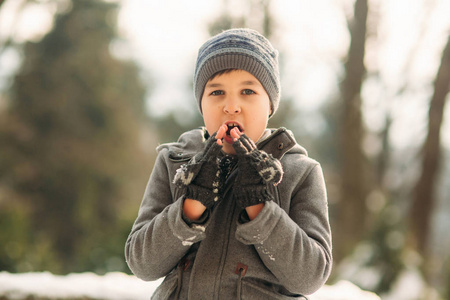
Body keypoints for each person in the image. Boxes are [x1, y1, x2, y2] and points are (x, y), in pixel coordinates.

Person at [125, 28, 332, 300]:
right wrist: (192, 204)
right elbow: (142, 264)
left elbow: (310, 276)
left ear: (269, 104)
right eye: (216, 92)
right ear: (201, 103)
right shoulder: (175, 162)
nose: (231, 106)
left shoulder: (299, 172)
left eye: (248, 91)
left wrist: (259, 206)